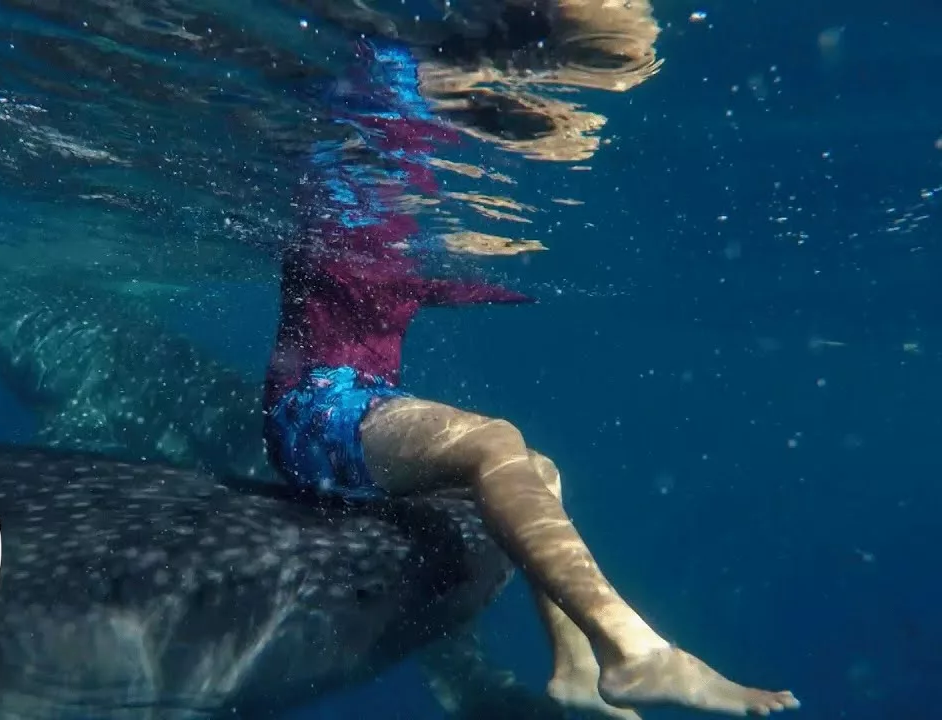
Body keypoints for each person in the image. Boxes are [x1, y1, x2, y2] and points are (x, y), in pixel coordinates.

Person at [261, 38, 801, 719]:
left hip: (366, 405)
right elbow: (374, 270)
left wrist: (498, 267)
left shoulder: (393, 221)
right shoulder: (338, 202)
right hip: (310, 415)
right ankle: (635, 652)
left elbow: (418, 282)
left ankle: (576, 667)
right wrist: (475, 253)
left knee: (538, 471)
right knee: (493, 440)